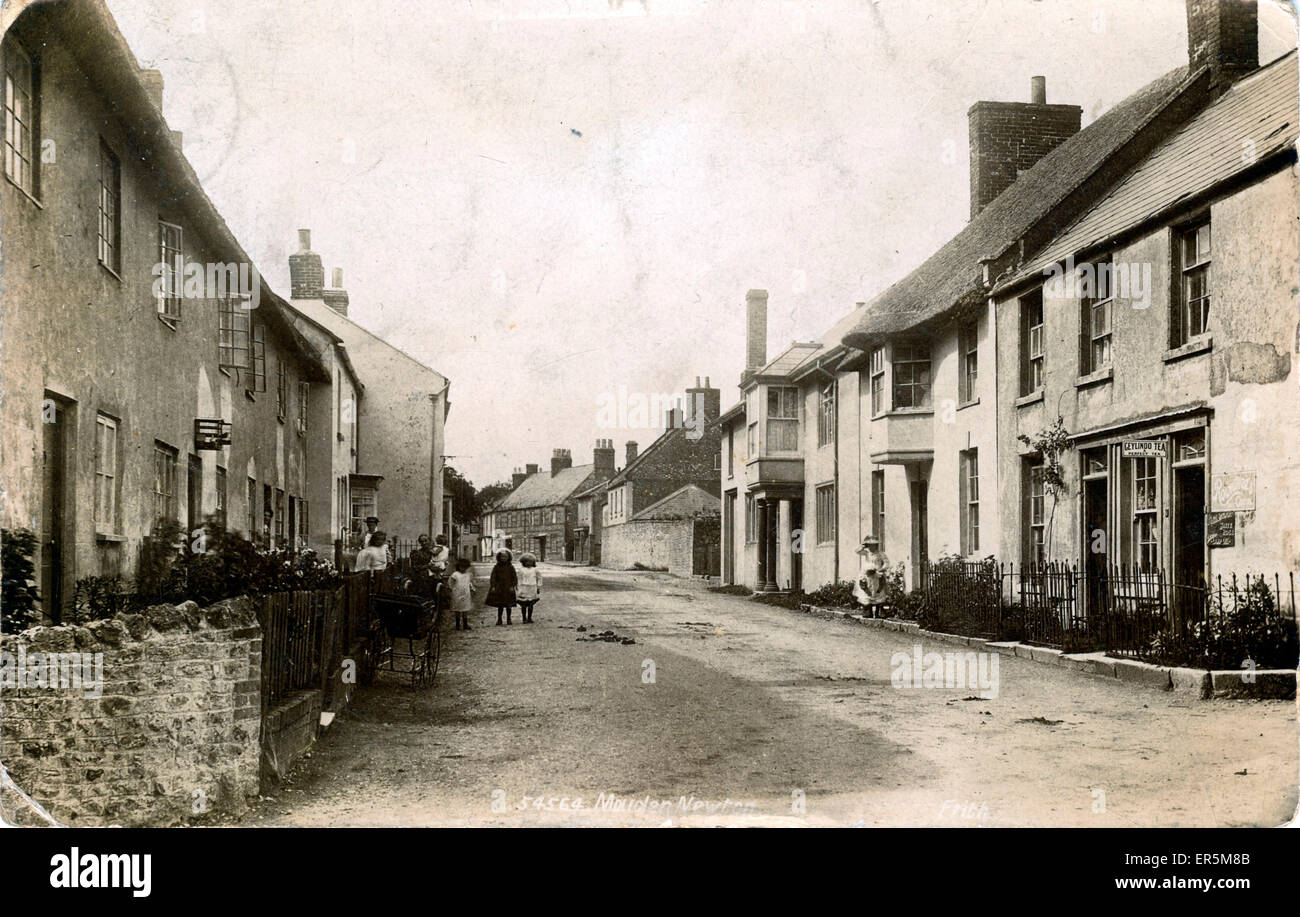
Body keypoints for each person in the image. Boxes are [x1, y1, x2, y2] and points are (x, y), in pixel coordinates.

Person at [852, 536, 890, 616]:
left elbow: (886, 562)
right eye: (870, 545)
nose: (872, 547)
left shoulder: (880, 554)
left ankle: (879, 611)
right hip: (867, 575)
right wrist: (863, 545)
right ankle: (867, 610)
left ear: (876, 545)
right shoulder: (866, 553)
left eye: (874, 545)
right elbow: (857, 551)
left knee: (878, 591)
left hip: (877, 574)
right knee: (867, 590)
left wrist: (881, 569)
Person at [486, 549, 518, 625]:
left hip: (508, 588)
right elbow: (493, 577)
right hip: (499, 588)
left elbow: (514, 577)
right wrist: (493, 586)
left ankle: (508, 619)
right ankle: (499, 619)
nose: (504, 558)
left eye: (505, 557)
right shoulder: (496, 567)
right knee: (500, 605)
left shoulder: (511, 567)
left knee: (508, 605)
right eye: (502, 557)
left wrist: (513, 585)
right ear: (499, 557)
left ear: (508, 557)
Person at [448, 557, 477, 630]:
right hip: (457, 594)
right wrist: (452, 589)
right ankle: (457, 625)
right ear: (458, 567)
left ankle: (465, 624)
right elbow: (451, 582)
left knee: (465, 609)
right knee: (457, 609)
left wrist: (472, 589)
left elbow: (470, 583)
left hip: (466, 594)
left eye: (465, 567)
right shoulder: (455, 574)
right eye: (461, 567)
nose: (463, 569)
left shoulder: (468, 575)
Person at [516, 552, 542, 623]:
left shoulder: (535, 570)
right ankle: (524, 618)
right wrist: (519, 587)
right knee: (523, 604)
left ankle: (529, 618)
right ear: (523, 562)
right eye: (526, 561)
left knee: (531, 603)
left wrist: (538, 587)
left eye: (530, 561)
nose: (528, 563)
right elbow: (519, 579)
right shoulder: (521, 570)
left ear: (533, 562)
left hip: (532, 588)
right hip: (524, 588)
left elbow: (539, 578)